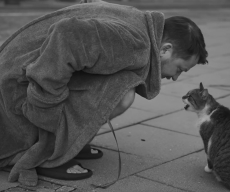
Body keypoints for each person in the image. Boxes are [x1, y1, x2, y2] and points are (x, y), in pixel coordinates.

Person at [0, 0, 208, 186]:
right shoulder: (136, 42)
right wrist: (45, 112)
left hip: (14, 73)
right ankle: (49, 154)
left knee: (122, 81)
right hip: (13, 93)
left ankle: (70, 143)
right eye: (180, 68)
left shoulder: (139, 25)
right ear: (165, 50)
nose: (175, 77)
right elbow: (67, 35)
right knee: (123, 93)